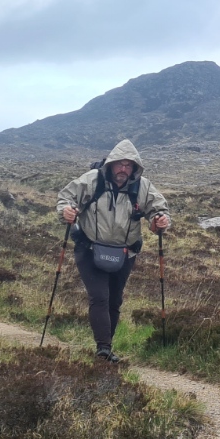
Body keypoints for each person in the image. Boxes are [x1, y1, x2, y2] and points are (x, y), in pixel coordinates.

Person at [56, 139, 170, 361]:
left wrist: (160, 221)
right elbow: (66, 197)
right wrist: (66, 211)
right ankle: (104, 349)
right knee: (99, 297)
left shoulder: (143, 186)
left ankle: (106, 347)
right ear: (111, 164)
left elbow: (159, 210)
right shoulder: (93, 179)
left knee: (115, 300)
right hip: (89, 248)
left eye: (129, 165)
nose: (123, 169)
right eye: (120, 164)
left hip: (125, 252)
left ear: (135, 168)